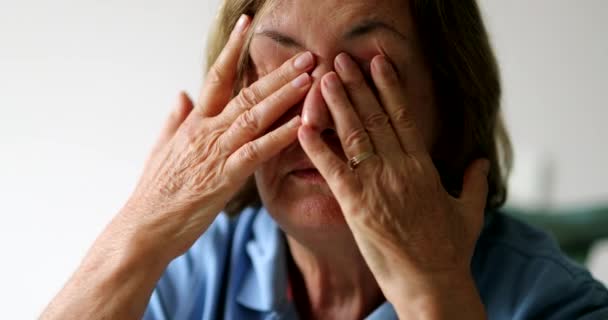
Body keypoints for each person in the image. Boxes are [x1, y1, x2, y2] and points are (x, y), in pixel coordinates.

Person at [41, 0, 608, 319]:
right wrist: (139, 231)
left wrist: (434, 293)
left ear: (451, 100)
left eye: (362, 77)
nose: (313, 120)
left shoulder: (554, 301)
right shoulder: (189, 278)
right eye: (283, 79)